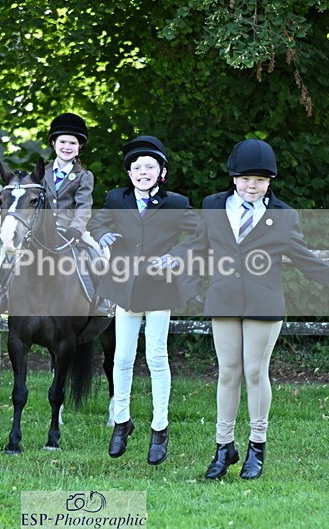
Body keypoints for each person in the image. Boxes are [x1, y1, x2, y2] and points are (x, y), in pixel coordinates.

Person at [171, 139, 329, 480]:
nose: (252, 186)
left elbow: (306, 260)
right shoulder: (213, 206)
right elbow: (196, 245)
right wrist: (174, 266)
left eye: (260, 179)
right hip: (224, 299)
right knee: (227, 372)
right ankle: (223, 446)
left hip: (264, 303)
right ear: (233, 178)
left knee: (255, 372)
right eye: (246, 179)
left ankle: (256, 446)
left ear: (270, 181)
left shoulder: (284, 216)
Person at [88, 135, 199, 465]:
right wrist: (100, 234)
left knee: (155, 355)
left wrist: (176, 255)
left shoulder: (176, 203)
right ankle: (122, 422)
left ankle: (160, 428)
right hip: (124, 286)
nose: (143, 172)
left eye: (150, 166)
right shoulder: (116, 198)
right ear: (130, 173)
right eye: (137, 168)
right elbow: (96, 222)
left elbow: (198, 234)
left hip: (159, 287)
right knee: (121, 356)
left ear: (161, 172)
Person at [0, 112, 110, 316]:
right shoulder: (38, 173)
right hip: (40, 229)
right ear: (54, 143)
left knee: (99, 253)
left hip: (72, 229)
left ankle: (102, 299)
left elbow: (83, 206)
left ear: (79, 147)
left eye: (73, 143)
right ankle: (3, 294)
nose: (67, 147)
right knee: (7, 252)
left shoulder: (84, 176)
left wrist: (76, 229)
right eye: (63, 141)